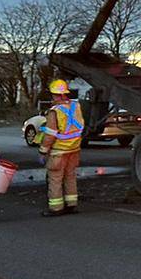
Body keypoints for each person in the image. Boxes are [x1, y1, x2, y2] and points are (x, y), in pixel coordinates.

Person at [37, 78, 84, 217]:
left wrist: (42, 151)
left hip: (58, 150)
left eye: (53, 94)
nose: (52, 97)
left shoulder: (54, 112)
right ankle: (71, 204)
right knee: (70, 176)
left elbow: (50, 134)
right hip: (74, 149)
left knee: (55, 179)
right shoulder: (76, 107)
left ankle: (56, 208)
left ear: (57, 95)